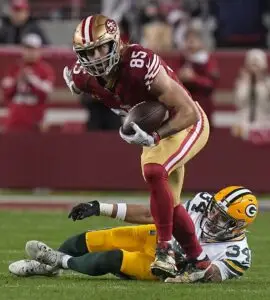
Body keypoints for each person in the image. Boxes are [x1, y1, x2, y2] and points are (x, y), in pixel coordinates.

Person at [63, 14, 210, 279]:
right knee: (170, 203)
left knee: (154, 171)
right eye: (87, 52)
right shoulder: (83, 75)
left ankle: (164, 251)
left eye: (100, 48)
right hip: (153, 131)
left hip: (185, 122)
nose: (95, 57)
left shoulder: (139, 64)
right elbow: (75, 81)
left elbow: (188, 111)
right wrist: (75, 84)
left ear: (116, 43)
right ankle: (199, 261)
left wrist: (155, 137)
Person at [9, 186, 258, 283]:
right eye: (215, 211)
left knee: (112, 258)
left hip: (166, 265)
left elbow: (212, 276)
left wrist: (192, 271)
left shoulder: (238, 253)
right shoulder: (202, 202)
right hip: (156, 237)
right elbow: (154, 213)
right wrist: (101, 207)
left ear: (239, 226)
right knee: (92, 239)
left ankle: (57, 261)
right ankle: (51, 266)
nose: (212, 217)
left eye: (223, 218)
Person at [1, 33, 54, 132]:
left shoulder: (45, 70)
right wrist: (18, 80)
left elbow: (46, 93)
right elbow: (6, 91)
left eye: (33, 49)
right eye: (27, 49)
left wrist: (31, 79)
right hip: (15, 119)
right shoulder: (14, 68)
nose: (30, 52)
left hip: (35, 120)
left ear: (39, 51)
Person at [178, 26, 219, 128]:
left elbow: (210, 85)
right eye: (187, 40)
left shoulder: (208, 60)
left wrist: (194, 78)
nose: (189, 43)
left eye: (193, 40)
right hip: (185, 109)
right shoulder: (182, 59)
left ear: (201, 42)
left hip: (203, 107)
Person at [232, 49, 270, 144]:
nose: (254, 68)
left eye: (257, 64)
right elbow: (239, 103)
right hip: (244, 123)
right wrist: (245, 83)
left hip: (265, 124)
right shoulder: (242, 82)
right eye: (252, 64)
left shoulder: (268, 83)